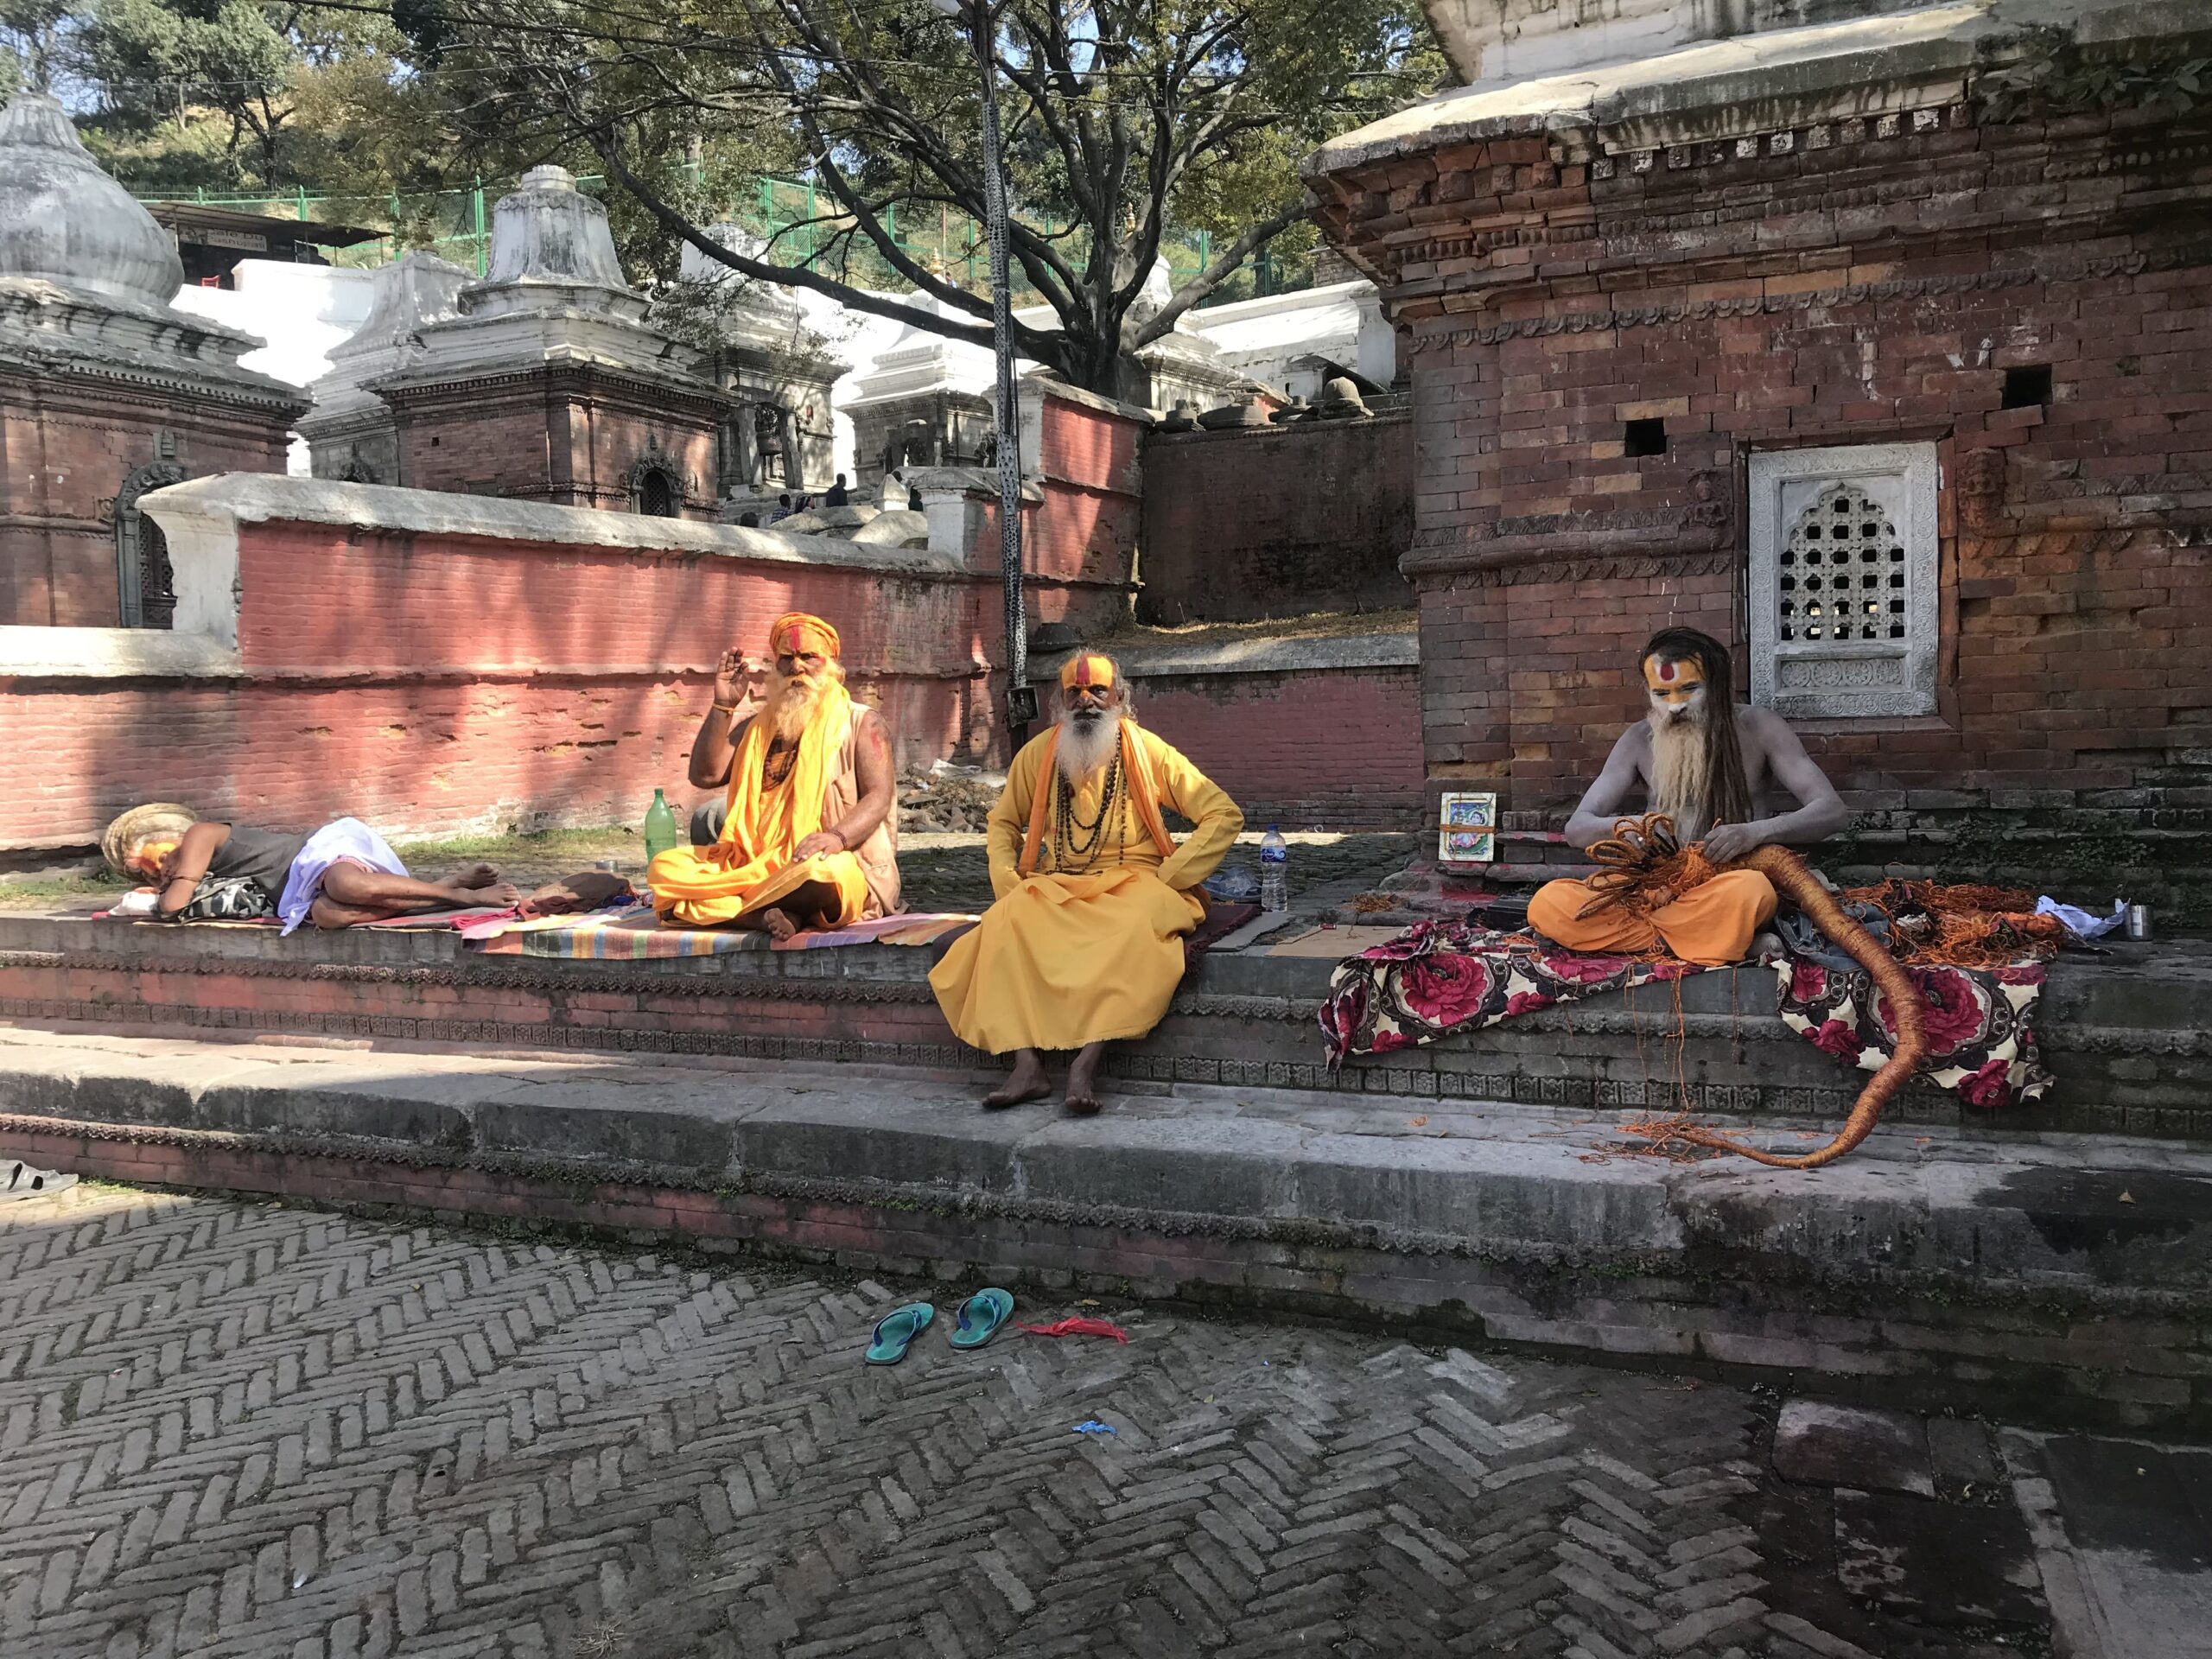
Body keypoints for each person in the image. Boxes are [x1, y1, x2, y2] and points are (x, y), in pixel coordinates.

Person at [929, 652, 1243, 1115]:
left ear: (1120, 698)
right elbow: (1003, 823)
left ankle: (1085, 1065)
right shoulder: (1038, 754)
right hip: (1058, 882)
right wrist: (1006, 878)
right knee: (1005, 922)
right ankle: (1026, 1065)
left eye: (1098, 691)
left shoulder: (1147, 750)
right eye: (1074, 693)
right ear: (1059, 703)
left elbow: (1222, 813)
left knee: (1133, 929)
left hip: (1135, 880)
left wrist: (1172, 876)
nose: (1086, 702)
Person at [1526, 626, 1851, 965]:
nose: (1675, 706)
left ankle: (1687, 936)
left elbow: (1831, 811)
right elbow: (1577, 829)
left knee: (1753, 893)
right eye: (1661, 693)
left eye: (1689, 689)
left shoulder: (1760, 726)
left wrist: (1755, 832)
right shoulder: (1638, 739)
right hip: (1654, 887)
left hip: (1726, 883)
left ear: (1718, 686)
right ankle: (1715, 940)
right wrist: (1630, 826)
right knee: (1550, 903)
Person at [648, 612, 899, 938]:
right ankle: (772, 914)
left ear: (832, 666)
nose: (797, 667)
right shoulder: (757, 728)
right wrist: (723, 705)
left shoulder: (862, 723)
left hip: (828, 858)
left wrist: (836, 838)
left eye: (809, 657)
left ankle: (746, 910)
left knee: (826, 873)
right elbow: (705, 776)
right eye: (786, 658)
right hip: (752, 864)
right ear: (775, 667)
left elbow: (879, 797)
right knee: (665, 867)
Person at [111, 808, 520, 934]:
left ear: (170, 844)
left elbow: (174, 904)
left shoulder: (200, 835)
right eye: (151, 877)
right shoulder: (202, 879)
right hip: (295, 897)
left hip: (315, 854)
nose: (162, 874)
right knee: (329, 915)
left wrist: (165, 890)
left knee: (345, 884)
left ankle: (460, 895)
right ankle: (438, 889)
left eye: (159, 863)